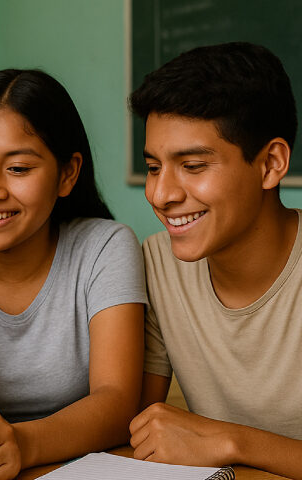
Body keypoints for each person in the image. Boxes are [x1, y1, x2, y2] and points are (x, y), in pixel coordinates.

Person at [0, 69, 147, 479]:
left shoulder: (105, 247)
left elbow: (118, 401)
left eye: (18, 169)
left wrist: (20, 444)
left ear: (67, 174)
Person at [129, 42, 302, 478]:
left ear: (271, 164)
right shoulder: (156, 264)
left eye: (192, 165)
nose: (162, 194)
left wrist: (229, 440)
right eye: (153, 167)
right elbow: (142, 431)